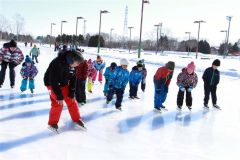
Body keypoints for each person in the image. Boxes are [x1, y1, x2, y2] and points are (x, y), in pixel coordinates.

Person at [44, 50, 85, 132]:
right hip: (52, 84)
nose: (78, 65)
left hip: (63, 84)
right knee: (58, 103)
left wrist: (72, 92)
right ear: (72, 60)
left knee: (72, 100)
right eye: (78, 63)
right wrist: (59, 96)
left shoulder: (73, 66)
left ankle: (77, 119)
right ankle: (52, 123)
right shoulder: (56, 63)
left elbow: (73, 79)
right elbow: (53, 80)